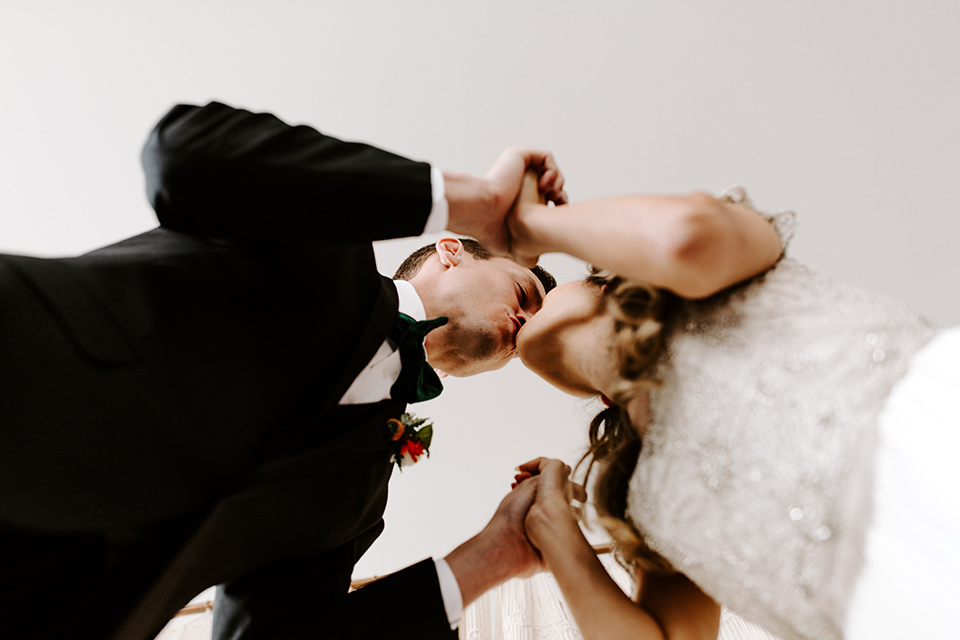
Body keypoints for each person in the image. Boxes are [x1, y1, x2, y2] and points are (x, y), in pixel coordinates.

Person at [0, 101, 567, 640]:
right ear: (452, 250)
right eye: (525, 291)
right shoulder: (320, 240)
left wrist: (497, 554)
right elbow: (182, 153)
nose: (526, 321)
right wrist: (481, 200)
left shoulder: (361, 502)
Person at [506, 185, 959, 639]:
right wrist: (556, 530)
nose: (531, 302)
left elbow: (687, 238)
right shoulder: (642, 495)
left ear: (608, 278)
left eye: (543, 287)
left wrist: (529, 224)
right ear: (604, 401)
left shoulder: (733, 269)